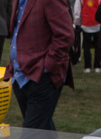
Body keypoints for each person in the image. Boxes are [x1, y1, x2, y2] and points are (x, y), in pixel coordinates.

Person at [6, 0, 75, 130]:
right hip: (20, 76)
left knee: (30, 137)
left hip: (41, 77)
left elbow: (65, 36)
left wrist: (47, 66)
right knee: (44, 133)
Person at [75, 0, 101, 73]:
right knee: (98, 47)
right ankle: (97, 66)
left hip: (86, 24)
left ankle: (87, 67)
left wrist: (77, 23)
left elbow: (77, 11)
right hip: (98, 24)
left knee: (86, 47)